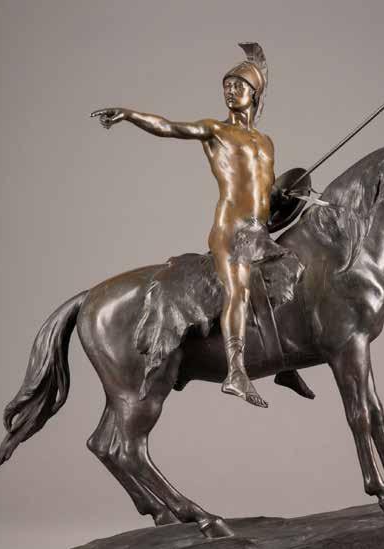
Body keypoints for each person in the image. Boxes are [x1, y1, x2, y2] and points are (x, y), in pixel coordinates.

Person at [92, 43, 285, 408]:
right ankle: (236, 372)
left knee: (295, 272)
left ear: (255, 93)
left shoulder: (266, 143)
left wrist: (286, 194)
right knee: (239, 289)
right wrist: (130, 115)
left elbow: (267, 189)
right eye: (226, 85)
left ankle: (285, 364)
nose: (230, 91)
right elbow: (169, 127)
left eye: (238, 85)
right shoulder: (215, 130)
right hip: (232, 230)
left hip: (261, 230)